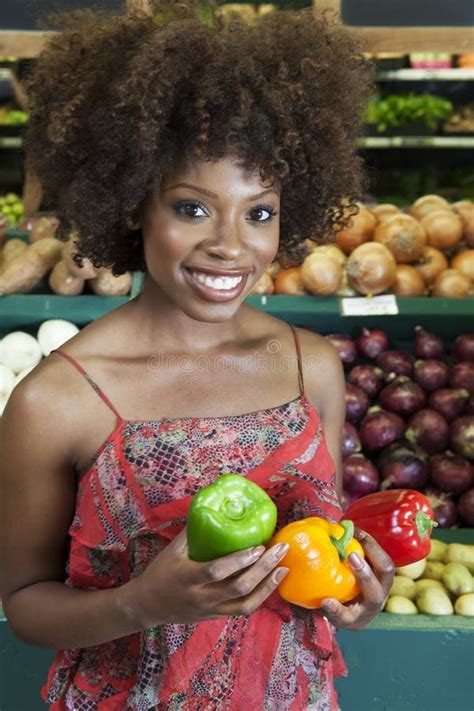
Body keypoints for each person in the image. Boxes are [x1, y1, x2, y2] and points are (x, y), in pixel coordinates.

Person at [0, 4, 395, 709]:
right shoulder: (57, 400)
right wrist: (139, 603)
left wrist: (356, 594)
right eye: (192, 208)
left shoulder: (314, 367)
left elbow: (324, 540)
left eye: (260, 212)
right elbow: (26, 603)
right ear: (131, 203)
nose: (231, 246)